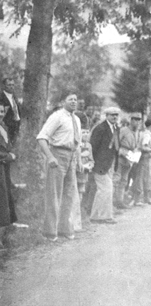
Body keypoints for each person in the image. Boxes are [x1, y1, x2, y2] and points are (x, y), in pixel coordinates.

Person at [36, 93, 82, 241]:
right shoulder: (57, 116)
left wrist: (79, 161)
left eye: (75, 99)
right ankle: (50, 231)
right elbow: (42, 138)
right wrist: (50, 157)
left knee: (69, 194)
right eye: (70, 99)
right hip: (58, 155)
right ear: (63, 102)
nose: (74, 102)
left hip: (71, 157)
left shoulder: (77, 119)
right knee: (54, 193)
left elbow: (78, 143)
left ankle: (65, 228)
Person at [0, 106, 27, 247]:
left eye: (2, 112)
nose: (0, 114)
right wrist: (8, 156)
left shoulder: (3, 126)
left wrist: (11, 154)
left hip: (4, 168)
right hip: (2, 163)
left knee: (4, 201)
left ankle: (4, 235)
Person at [89, 107, 120, 224]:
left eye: (116, 115)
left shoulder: (116, 128)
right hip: (100, 163)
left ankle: (96, 215)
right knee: (106, 189)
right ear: (106, 115)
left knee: (104, 190)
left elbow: (116, 147)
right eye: (112, 115)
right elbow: (93, 146)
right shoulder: (100, 128)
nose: (115, 117)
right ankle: (104, 216)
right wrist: (93, 162)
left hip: (110, 163)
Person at [113, 112, 141, 209]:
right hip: (121, 155)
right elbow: (116, 142)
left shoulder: (137, 132)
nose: (137, 122)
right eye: (135, 120)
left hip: (130, 157)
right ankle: (113, 202)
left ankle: (119, 202)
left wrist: (135, 154)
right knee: (116, 178)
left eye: (138, 120)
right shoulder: (124, 130)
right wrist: (119, 151)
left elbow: (136, 145)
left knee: (124, 180)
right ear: (131, 120)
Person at [71, 127, 94, 232]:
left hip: (84, 173)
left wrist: (90, 164)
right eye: (83, 132)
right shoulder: (76, 145)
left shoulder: (89, 146)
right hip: (76, 172)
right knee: (73, 194)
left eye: (87, 132)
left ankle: (79, 215)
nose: (85, 134)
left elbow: (91, 159)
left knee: (81, 193)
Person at [132, 118, 151, 206]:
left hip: (145, 159)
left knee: (146, 178)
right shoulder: (147, 135)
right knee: (141, 178)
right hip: (143, 158)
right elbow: (143, 147)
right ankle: (137, 200)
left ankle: (146, 199)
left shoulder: (147, 134)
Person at [0, 76, 21, 145]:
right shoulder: (1, 97)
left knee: (15, 146)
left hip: (17, 126)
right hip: (7, 126)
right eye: (9, 85)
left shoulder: (14, 97)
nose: (11, 87)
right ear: (4, 86)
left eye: (13, 85)